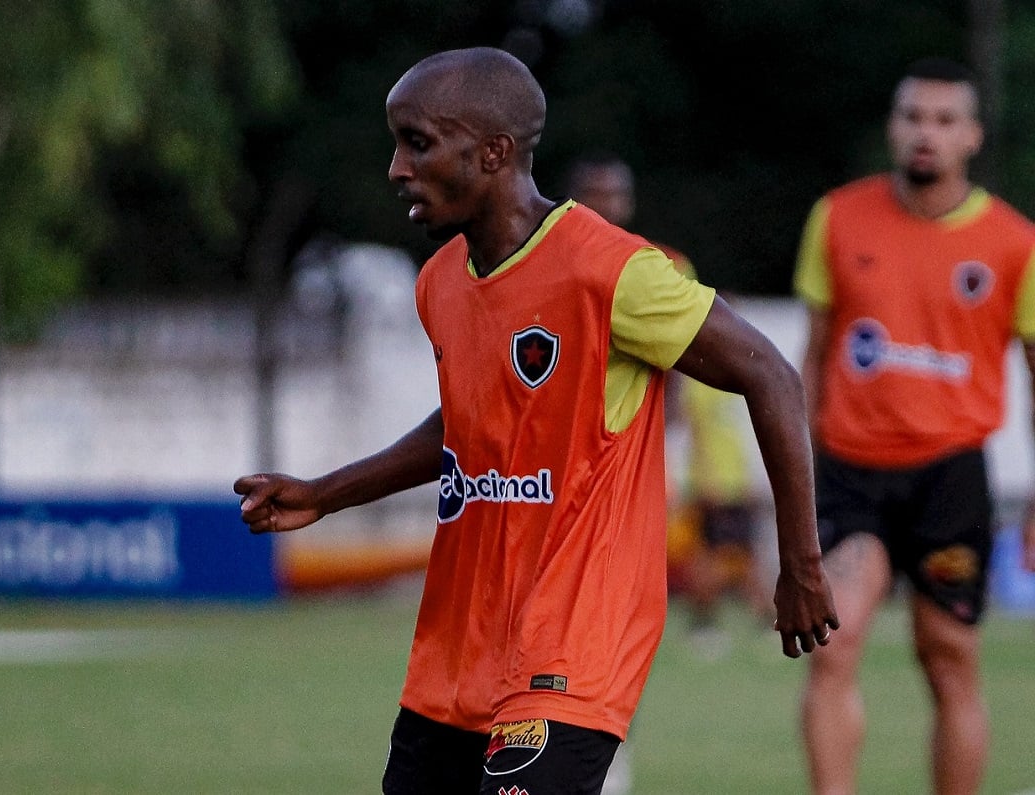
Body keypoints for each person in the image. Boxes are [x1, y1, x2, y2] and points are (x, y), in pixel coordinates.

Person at [237, 47, 838, 795]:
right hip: (457, 656)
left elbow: (770, 373)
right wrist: (328, 492)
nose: (396, 169)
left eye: (416, 143)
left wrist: (800, 564)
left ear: (493, 152)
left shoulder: (614, 270)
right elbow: (468, 420)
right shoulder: (440, 283)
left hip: (574, 648)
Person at [793, 56, 1035, 795]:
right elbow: (811, 360)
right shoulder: (837, 216)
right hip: (849, 469)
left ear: (972, 136)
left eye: (943, 119)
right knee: (833, 648)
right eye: (912, 117)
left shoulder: (1014, 242)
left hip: (951, 473)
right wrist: (796, 481)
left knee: (950, 654)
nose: (925, 133)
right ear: (893, 128)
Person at [566, 153, 774, 651]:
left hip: (643, 445)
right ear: (574, 201)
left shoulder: (665, 265)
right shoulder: (550, 263)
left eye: (615, 194)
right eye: (596, 193)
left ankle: (704, 628)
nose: (607, 205)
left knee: (687, 552)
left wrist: (674, 431)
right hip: (572, 443)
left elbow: (683, 352)